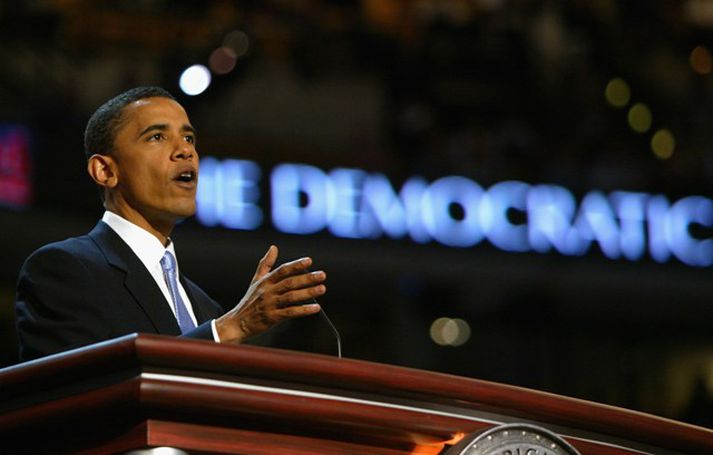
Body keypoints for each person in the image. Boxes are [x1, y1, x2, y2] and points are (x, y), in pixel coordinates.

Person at [14, 86, 326, 361]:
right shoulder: (63, 270)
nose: (185, 150)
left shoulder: (205, 308)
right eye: (157, 136)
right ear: (105, 171)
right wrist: (230, 329)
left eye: (189, 137)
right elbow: (77, 394)